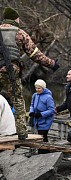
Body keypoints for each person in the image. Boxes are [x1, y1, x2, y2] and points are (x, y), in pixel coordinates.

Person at [0, 7, 59, 140]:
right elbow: (35, 54)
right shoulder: (20, 33)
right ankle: (21, 133)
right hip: (11, 73)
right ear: (15, 18)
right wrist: (52, 64)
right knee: (18, 101)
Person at [29, 79, 55, 154]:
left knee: (42, 136)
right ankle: (44, 151)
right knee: (40, 136)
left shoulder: (48, 97)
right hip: (36, 119)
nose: (37, 90)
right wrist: (31, 112)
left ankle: (43, 153)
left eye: (39, 88)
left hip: (45, 120)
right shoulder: (35, 95)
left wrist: (41, 114)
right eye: (36, 88)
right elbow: (32, 105)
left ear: (43, 88)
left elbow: (52, 110)